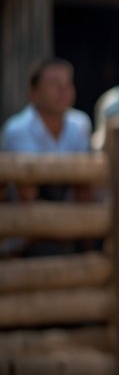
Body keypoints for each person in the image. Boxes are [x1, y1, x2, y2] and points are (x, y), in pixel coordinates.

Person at [1, 57, 93, 255]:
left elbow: (84, 187)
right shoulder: (18, 129)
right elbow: (27, 192)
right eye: (53, 83)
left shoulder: (80, 124)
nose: (62, 89)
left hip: (70, 226)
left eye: (67, 83)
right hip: (26, 235)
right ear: (33, 94)